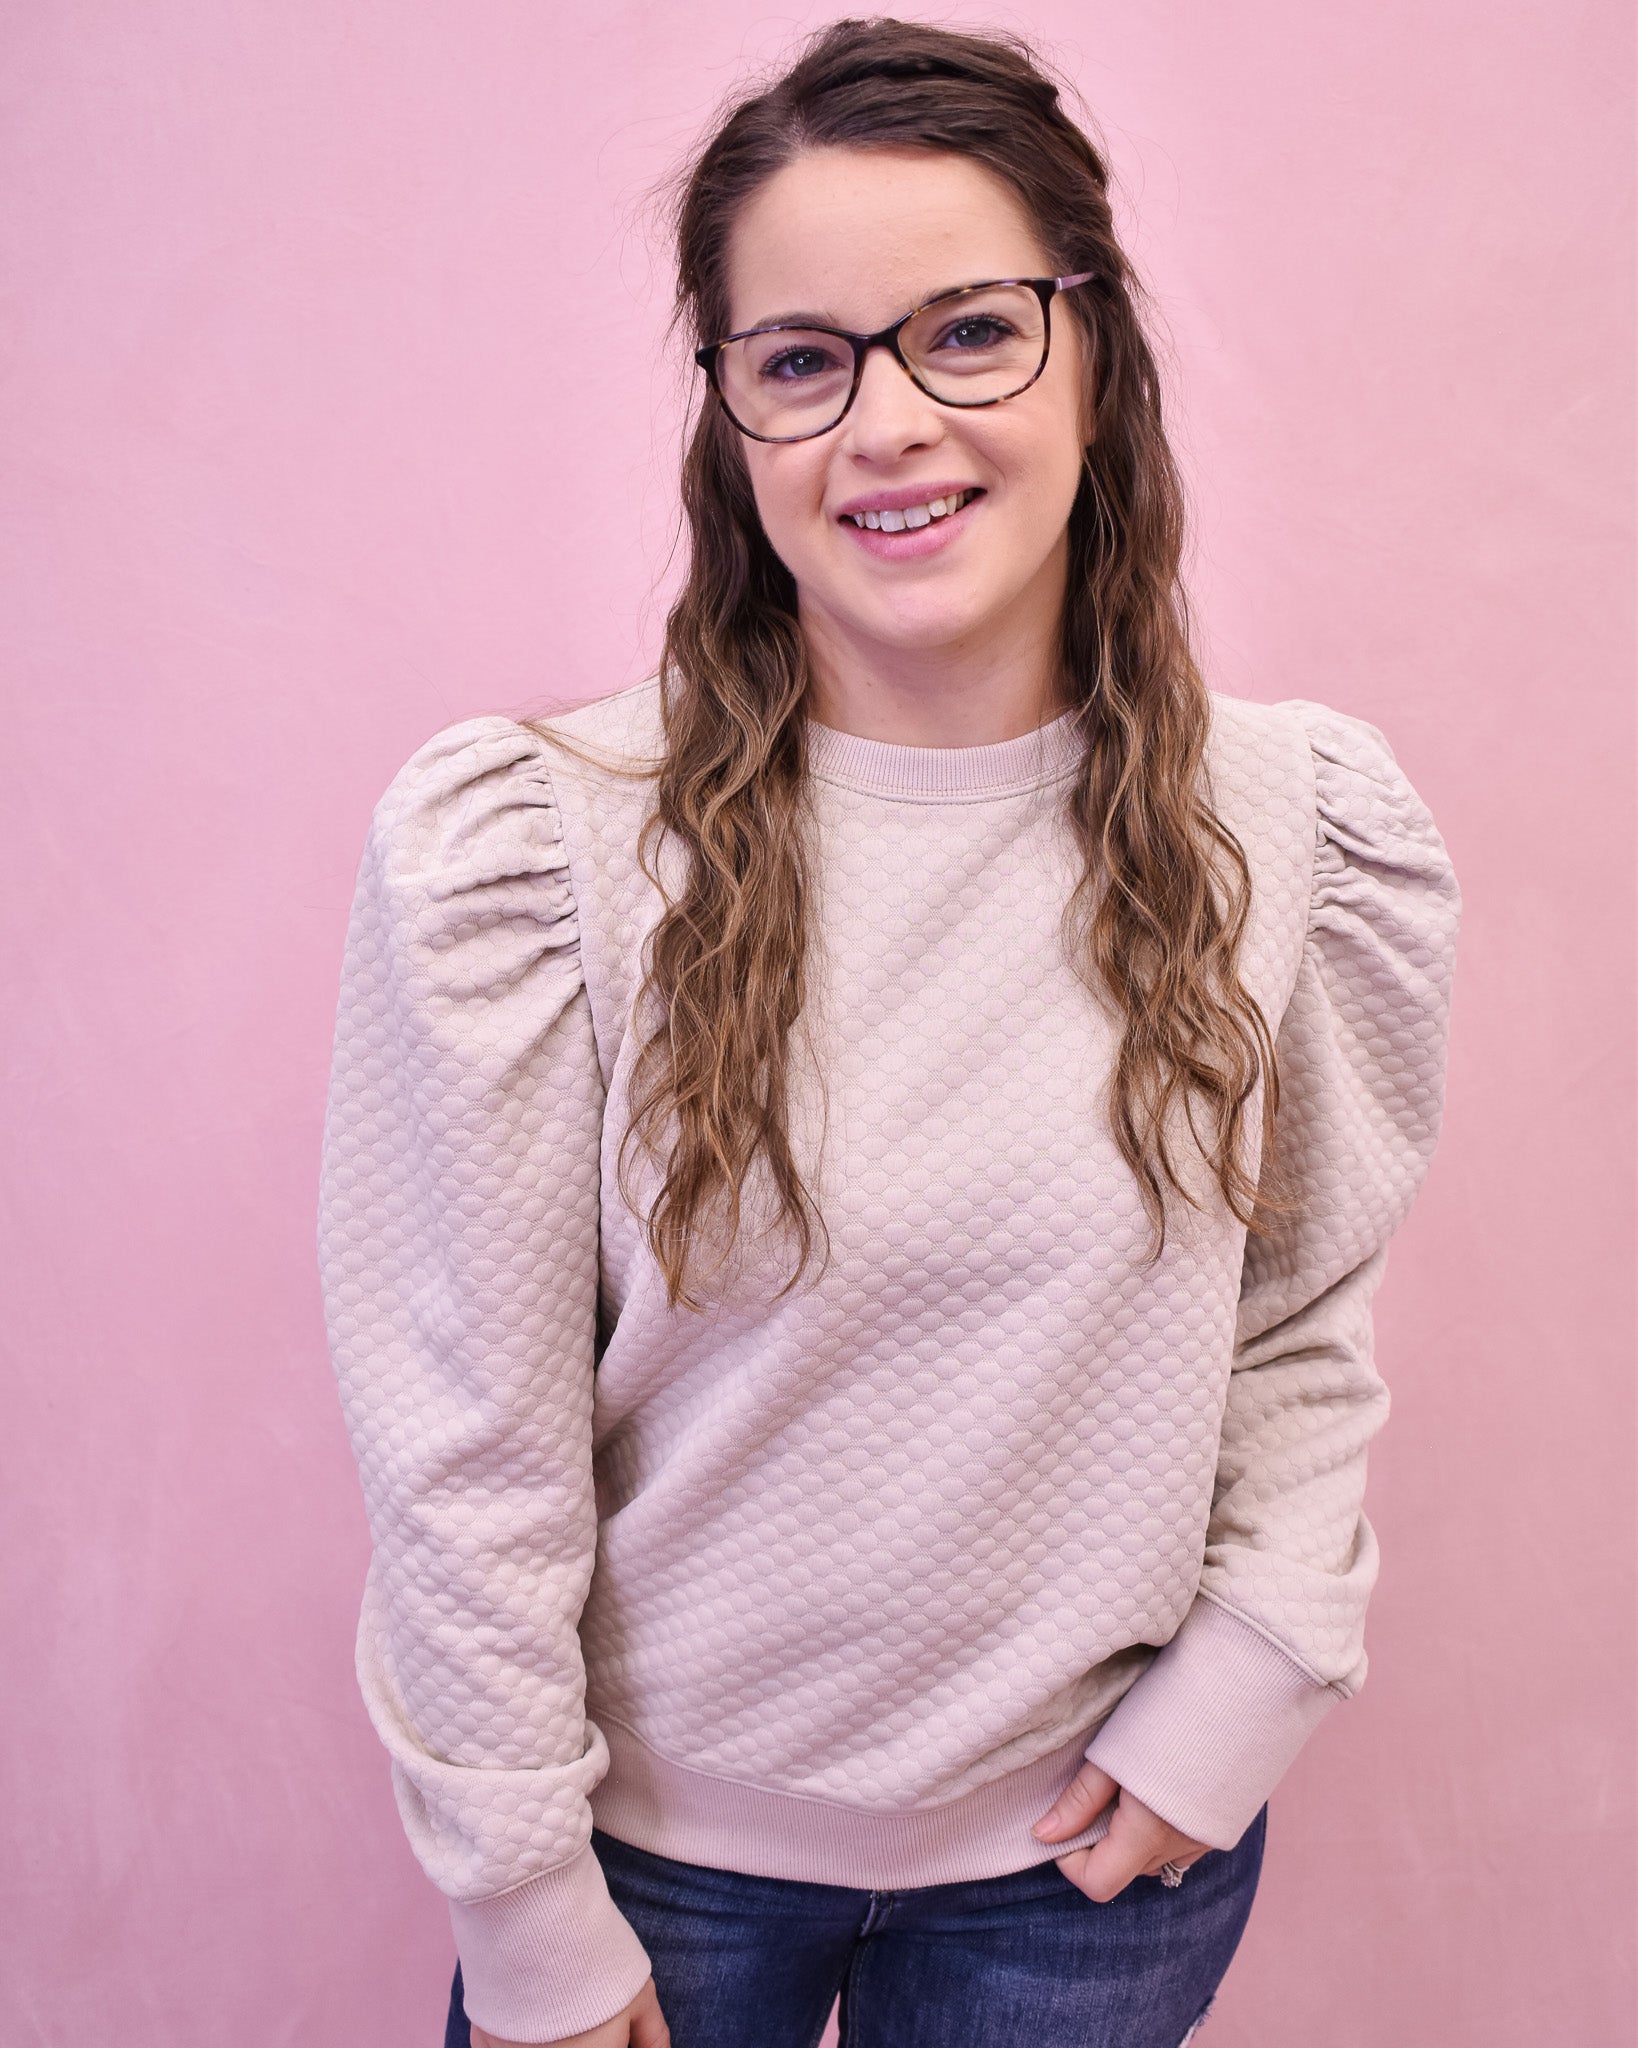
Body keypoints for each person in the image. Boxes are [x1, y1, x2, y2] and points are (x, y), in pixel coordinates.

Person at [317, 18, 1462, 2048]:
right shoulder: (539, 844)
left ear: (1092, 354)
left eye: (969, 331)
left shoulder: (1298, 825)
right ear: (734, 419)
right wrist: (528, 1915)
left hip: (1088, 1873)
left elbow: (1296, 1323)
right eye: (803, 358)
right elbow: (464, 1455)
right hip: (647, 1881)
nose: (887, 422)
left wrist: (1263, 1662)